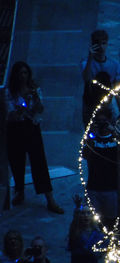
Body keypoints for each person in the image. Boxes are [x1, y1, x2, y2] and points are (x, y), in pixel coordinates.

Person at [6, 61, 63, 214]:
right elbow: (9, 113)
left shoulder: (34, 89)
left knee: (39, 162)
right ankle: (19, 191)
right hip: (15, 128)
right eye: (20, 73)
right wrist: (18, 111)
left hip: (31, 127)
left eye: (25, 73)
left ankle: (49, 198)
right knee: (17, 162)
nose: (22, 76)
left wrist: (35, 100)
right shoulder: (10, 92)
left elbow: (40, 109)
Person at [83, 107, 120, 230]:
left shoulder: (115, 139)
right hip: (94, 187)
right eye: (98, 121)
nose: (102, 125)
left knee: (111, 221)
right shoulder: (92, 140)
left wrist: (116, 134)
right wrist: (90, 136)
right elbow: (86, 155)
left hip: (111, 188)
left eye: (104, 121)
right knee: (93, 222)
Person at [80, 29, 119, 126]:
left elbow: (115, 84)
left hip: (107, 103)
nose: (101, 47)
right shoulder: (86, 63)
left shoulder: (113, 64)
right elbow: (86, 78)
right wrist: (90, 57)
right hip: (90, 103)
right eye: (97, 43)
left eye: (103, 43)